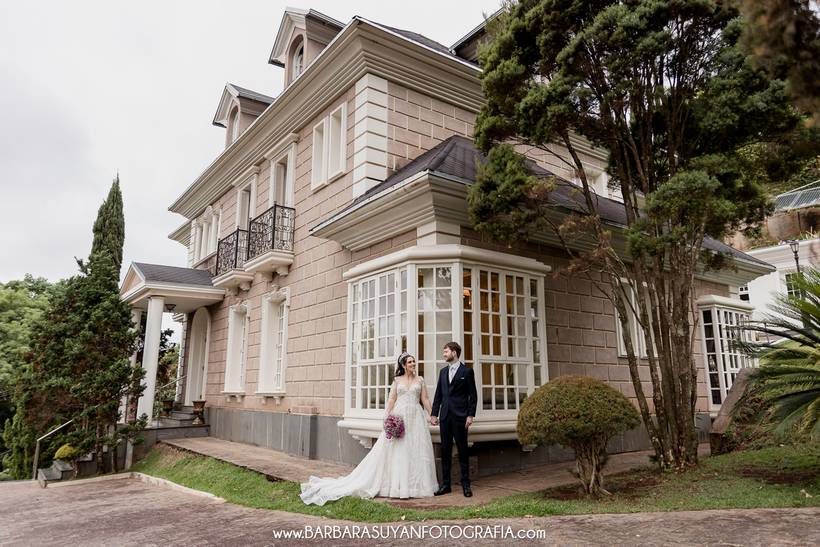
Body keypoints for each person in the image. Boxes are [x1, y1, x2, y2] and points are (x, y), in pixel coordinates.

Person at [300, 353, 438, 505]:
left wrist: (432, 415)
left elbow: (424, 399)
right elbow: (392, 399)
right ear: (404, 365)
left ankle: (417, 487)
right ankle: (399, 487)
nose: (413, 364)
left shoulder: (420, 380)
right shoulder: (397, 380)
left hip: (416, 418)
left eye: (414, 361)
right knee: (400, 450)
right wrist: (387, 415)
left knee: (416, 450)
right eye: (410, 362)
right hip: (400, 416)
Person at [430, 341, 477, 497]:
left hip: (461, 417)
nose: (444, 354)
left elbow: (473, 395)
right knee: (445, 451)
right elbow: (438, 395)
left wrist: (470, 415)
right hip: (445, 417)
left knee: (463, 451)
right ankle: (446, 485)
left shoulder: (467, 372)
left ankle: (466, 485)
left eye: (446, 352)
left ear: (454, 353)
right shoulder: (443, 372)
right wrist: (434, 414)